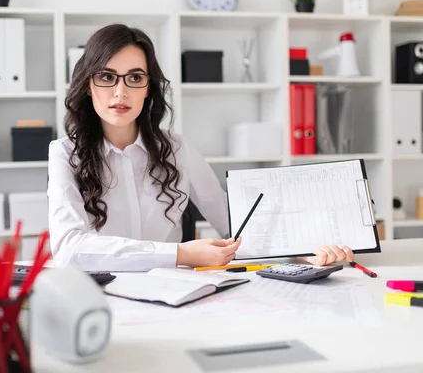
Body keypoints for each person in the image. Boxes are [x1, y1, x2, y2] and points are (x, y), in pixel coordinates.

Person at [47, 23, 355, 272]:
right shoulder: (64, 154)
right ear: (88, 86)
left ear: (149, 87)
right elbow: (69, 249)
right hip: (100, 300)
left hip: (174, 298)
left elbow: (232, 226)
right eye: (106, 77)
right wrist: (179, 254)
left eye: (135, 77)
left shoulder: (177, 149)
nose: (120, 91)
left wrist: (303, 254)